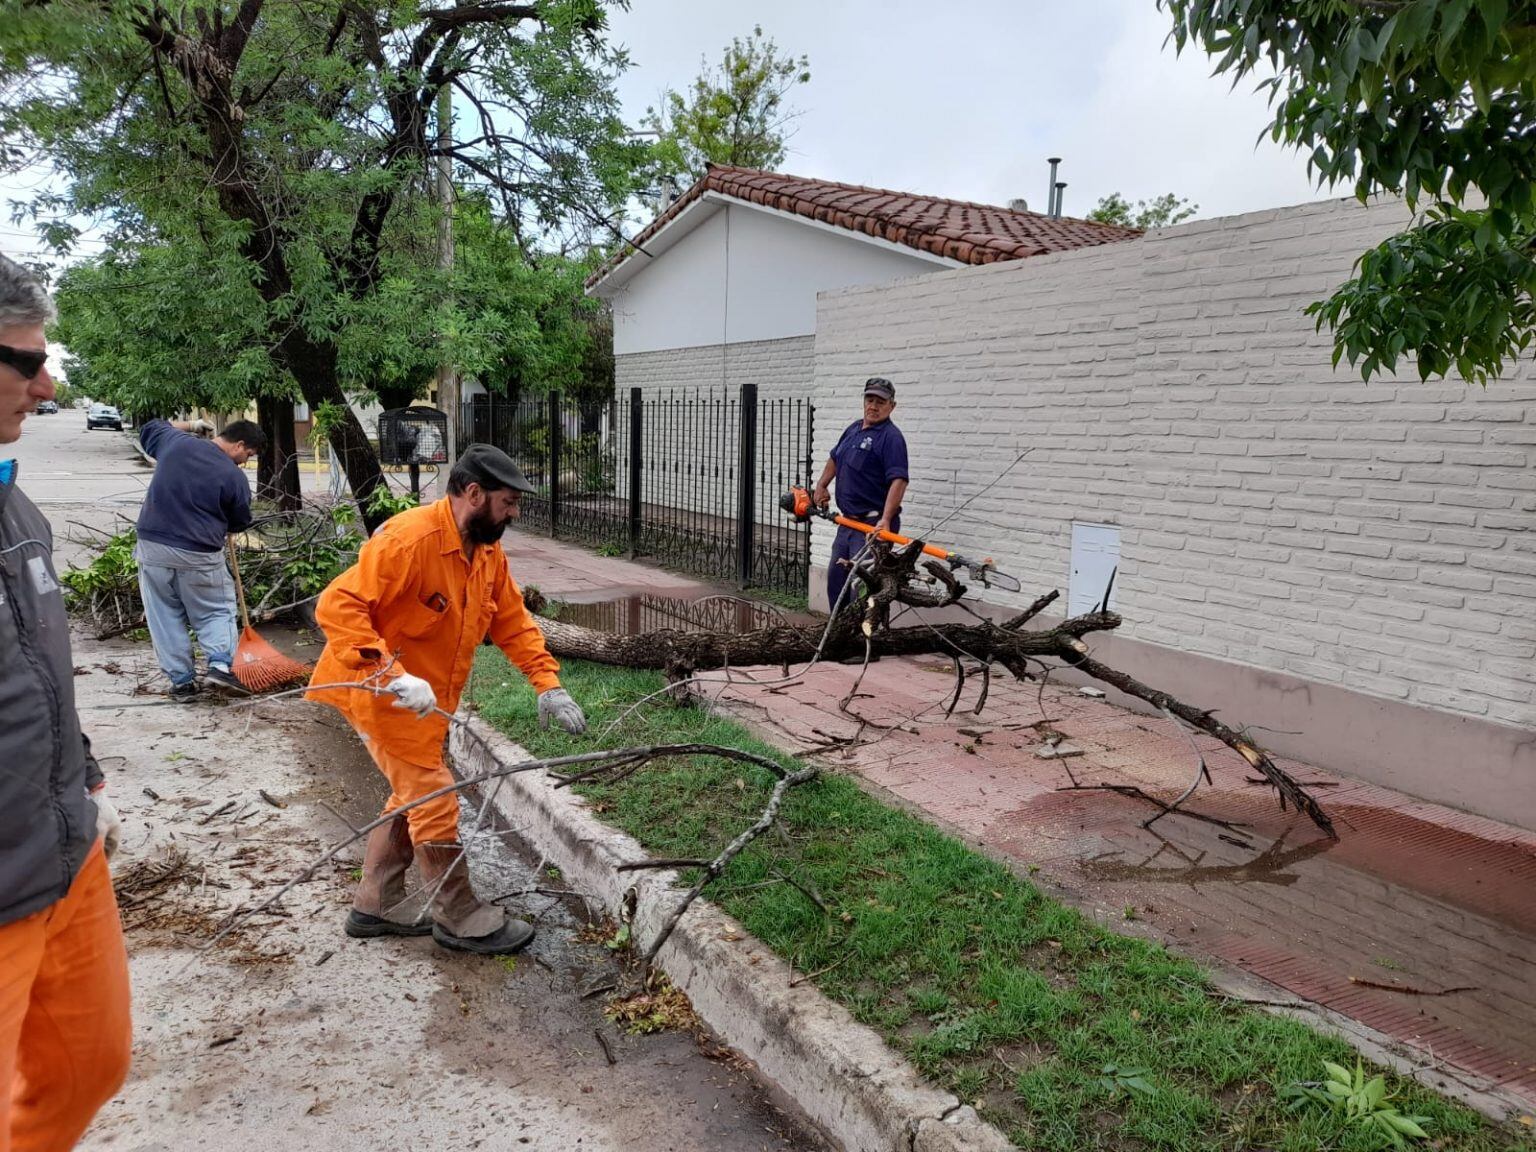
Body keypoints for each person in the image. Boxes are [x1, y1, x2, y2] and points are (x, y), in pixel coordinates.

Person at [307, 443, 588, 957]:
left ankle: (376, 906)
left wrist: (548, 683)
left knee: (409, 795)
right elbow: (338, 605)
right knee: (434, 797)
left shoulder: (486, 552)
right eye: (507, 502)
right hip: (380, 694)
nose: (514, 512)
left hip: (427, 706)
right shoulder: (408, 539)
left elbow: (512, 622)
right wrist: (388, 672)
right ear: (474, 494)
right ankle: (458, 916)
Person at [0, 254, 132, 1150]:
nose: (45, 387)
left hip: (62, 853)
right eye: (25, 362)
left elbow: (43, 666)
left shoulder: (18, 515)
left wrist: (80, 778)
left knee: (92, 1060)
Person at [134, 416, 267, 698]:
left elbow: (151, 427)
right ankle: (219, 666)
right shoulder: (234, 477)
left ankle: (182, 683)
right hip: (199, 553)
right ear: (239, 444)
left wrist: (193, 425)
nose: (245, 462)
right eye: (248, 455)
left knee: (164, 616)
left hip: (152, 547)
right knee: (214, 610)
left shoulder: (175, 443)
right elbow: (240, 521)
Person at [812, 376, 910, 611]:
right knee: (836, 582)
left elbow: (899, 480)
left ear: (892, 406)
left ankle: (861, 639)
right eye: (870, 399)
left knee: (861, 588)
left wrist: (885, 520)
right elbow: (836, 457)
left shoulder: (891, 438)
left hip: (872, 527)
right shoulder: (854, 428)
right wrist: (822, 485)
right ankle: (836, 634)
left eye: (880, 402)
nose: (873, 406)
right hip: (847, 524)